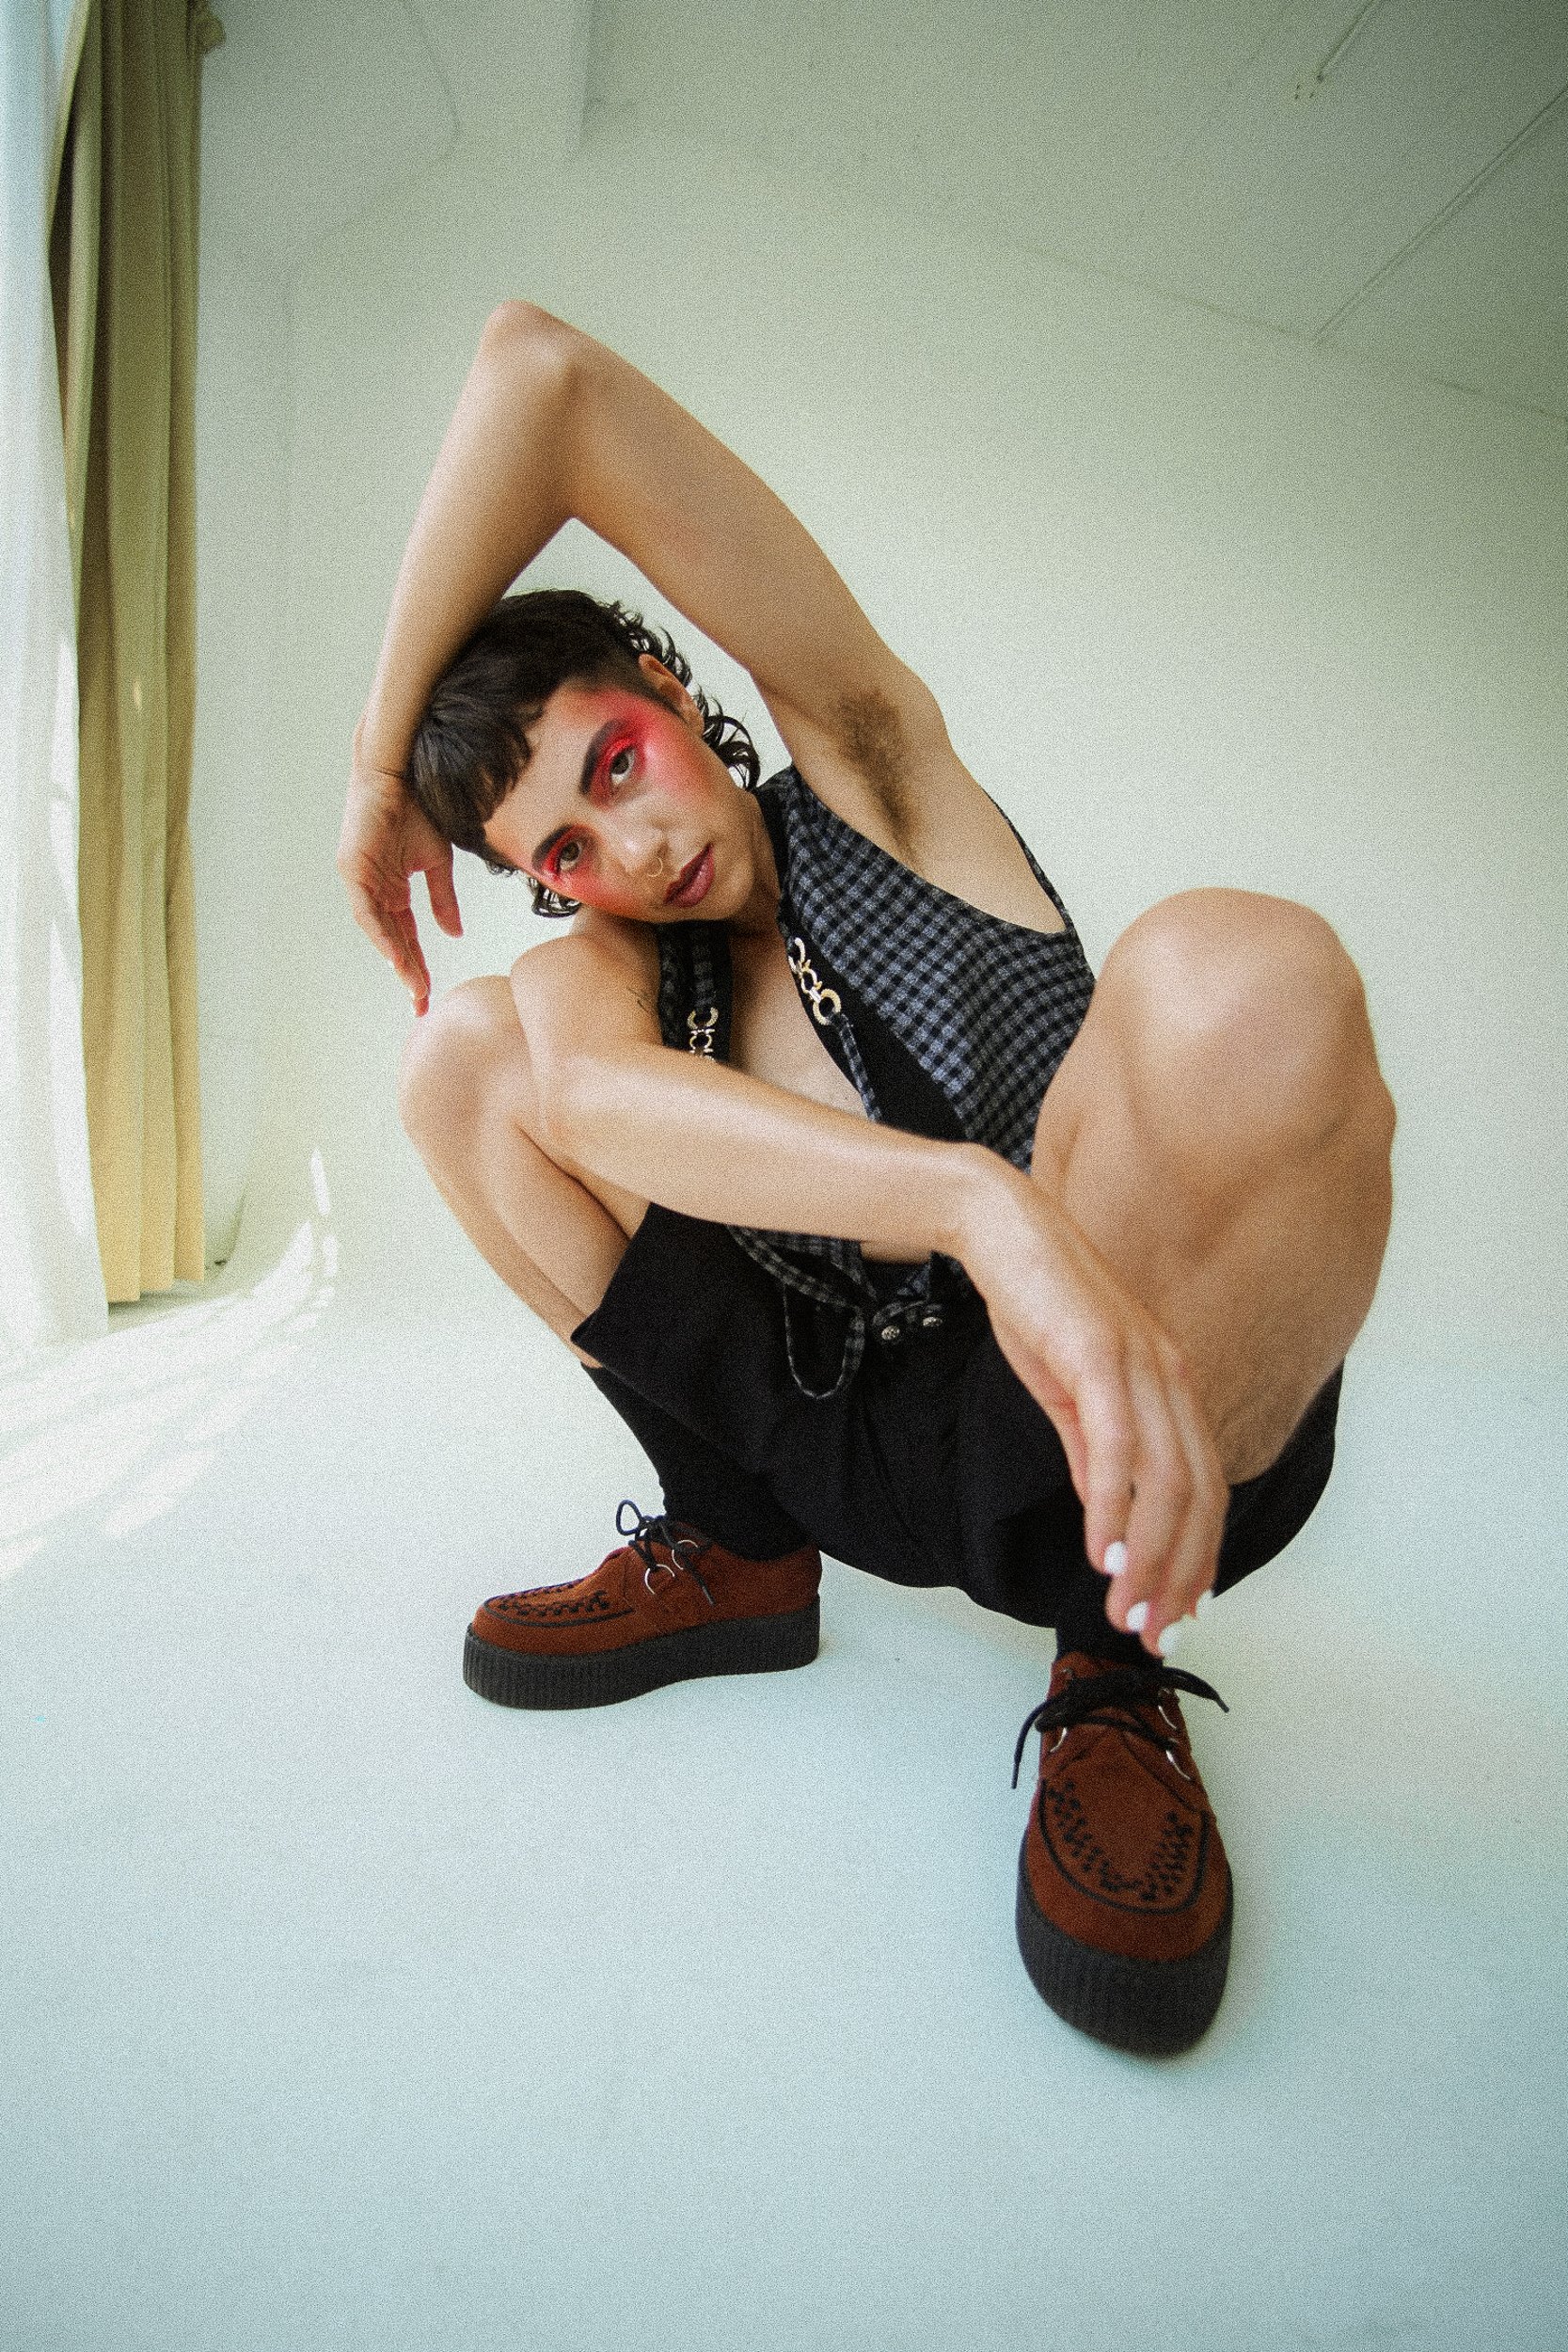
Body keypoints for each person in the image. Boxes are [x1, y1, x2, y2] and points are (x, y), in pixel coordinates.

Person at [340, 302, 1395, 2057]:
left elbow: (543, 379)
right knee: (458, 1062)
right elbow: (585, 1100)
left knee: (1242, 973)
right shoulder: (616, 974)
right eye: (566, 855)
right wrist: (980, 1203)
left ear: (676, 692)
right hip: (850, 1442)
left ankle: (1111, 1677)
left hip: (1120, 1422)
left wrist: (382, 757)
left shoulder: (871, 771)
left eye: (617, 766)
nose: (636, 851)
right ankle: (742, 1557)